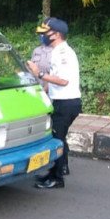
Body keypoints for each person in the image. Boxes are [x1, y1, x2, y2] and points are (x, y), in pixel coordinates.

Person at [27, 17, 81, 189]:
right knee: (58, 136)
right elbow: (55, 79)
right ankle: (57, 171)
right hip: (61, 102)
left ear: (56, 34)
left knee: (56, 138)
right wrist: (43, 93)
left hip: (66, 104)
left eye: (46, 33)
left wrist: (39, 74)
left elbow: (63, 80)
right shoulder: (57, 51)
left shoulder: (63, 53)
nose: (43, 36)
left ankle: (57, 178)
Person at [30, 18, 53, 92]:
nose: (42, 36)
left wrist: (44, 91)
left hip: (51, 92)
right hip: (37, 89)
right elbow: (32, 70)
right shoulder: (37, 50)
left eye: (44, 34)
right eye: (41, 34)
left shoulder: (57, 51)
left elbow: (54, 76)